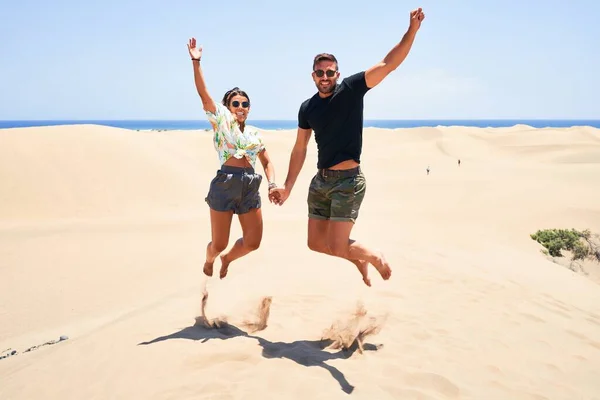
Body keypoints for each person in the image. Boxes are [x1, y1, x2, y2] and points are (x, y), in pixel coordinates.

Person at [270, 9, 425, 287]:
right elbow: (299, 149)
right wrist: (288, 186)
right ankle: (358, 259)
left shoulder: (352, 89)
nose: (325, 76)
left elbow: (388, 64)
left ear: (337, 73)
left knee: (338, 244)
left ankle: (374, 257)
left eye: (330, 72)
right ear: (313, 75)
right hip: (320, 182)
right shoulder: (307, 108)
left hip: (348, 182)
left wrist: (411, 31)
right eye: (320, 72)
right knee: (316, 244)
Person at [187, 37, 278, 279]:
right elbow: (204, 95)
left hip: (250, 185)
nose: (241, 106)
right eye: (235, 103)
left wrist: (271, 184)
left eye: (245, 104)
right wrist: (196, 62)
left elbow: (267, 162)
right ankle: (211, 258)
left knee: (253, 242)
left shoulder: (255, 133)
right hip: (226, 184)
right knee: (218, 244)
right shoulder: (221, 120)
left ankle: (227, 259)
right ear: (227, 106)